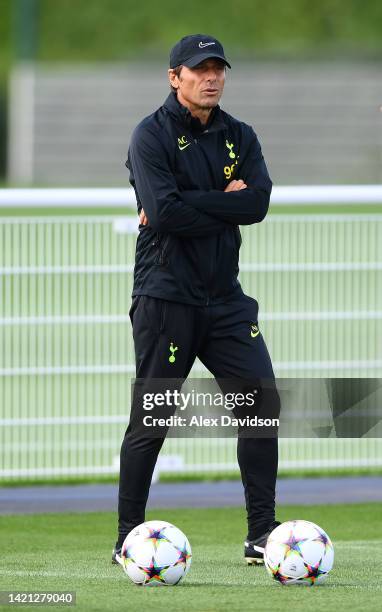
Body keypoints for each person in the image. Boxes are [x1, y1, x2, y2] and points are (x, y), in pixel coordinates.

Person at [113, 33, 280, 566]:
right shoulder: (150, 135)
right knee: (153, 418)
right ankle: (127, 537)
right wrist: (220, 202)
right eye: (199, 69)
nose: (211, 78)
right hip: (167, 298)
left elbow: (256, 204)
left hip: (226, 300)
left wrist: (195, 202)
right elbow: (164, 216)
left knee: (260, 407)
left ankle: (260, 534)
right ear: (174, 77)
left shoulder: (240, 134)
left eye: (218, 69)